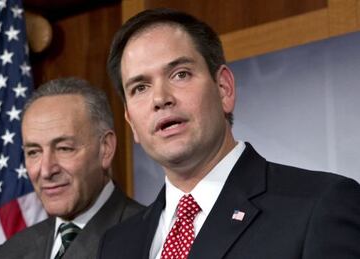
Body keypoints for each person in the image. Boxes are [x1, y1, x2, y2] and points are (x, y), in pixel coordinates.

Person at [97, 8, 360, 259]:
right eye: (140, 88)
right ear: (131, 122)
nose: (160, 98)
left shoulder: (319, 206)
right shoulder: (116, 244)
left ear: (224, 89)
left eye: (180, 74)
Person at [0, 78, 144, 259]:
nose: (46, 170)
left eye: (64, 148)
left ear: (106, 149)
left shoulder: (152, 237)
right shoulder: (8, 253)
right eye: (33, 152)